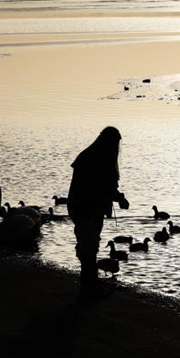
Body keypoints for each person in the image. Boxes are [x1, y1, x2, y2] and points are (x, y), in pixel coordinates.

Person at [67, 126, 130, 295]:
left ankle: (89, 282)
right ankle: (89, 285)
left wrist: (117, 197)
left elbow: (106, 186)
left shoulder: (89, 155)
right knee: (89, 245)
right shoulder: (98, 159)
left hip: (82, 207)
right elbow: (104, 186)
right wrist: (120, 198)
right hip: (87, 207)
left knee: (89, 244)